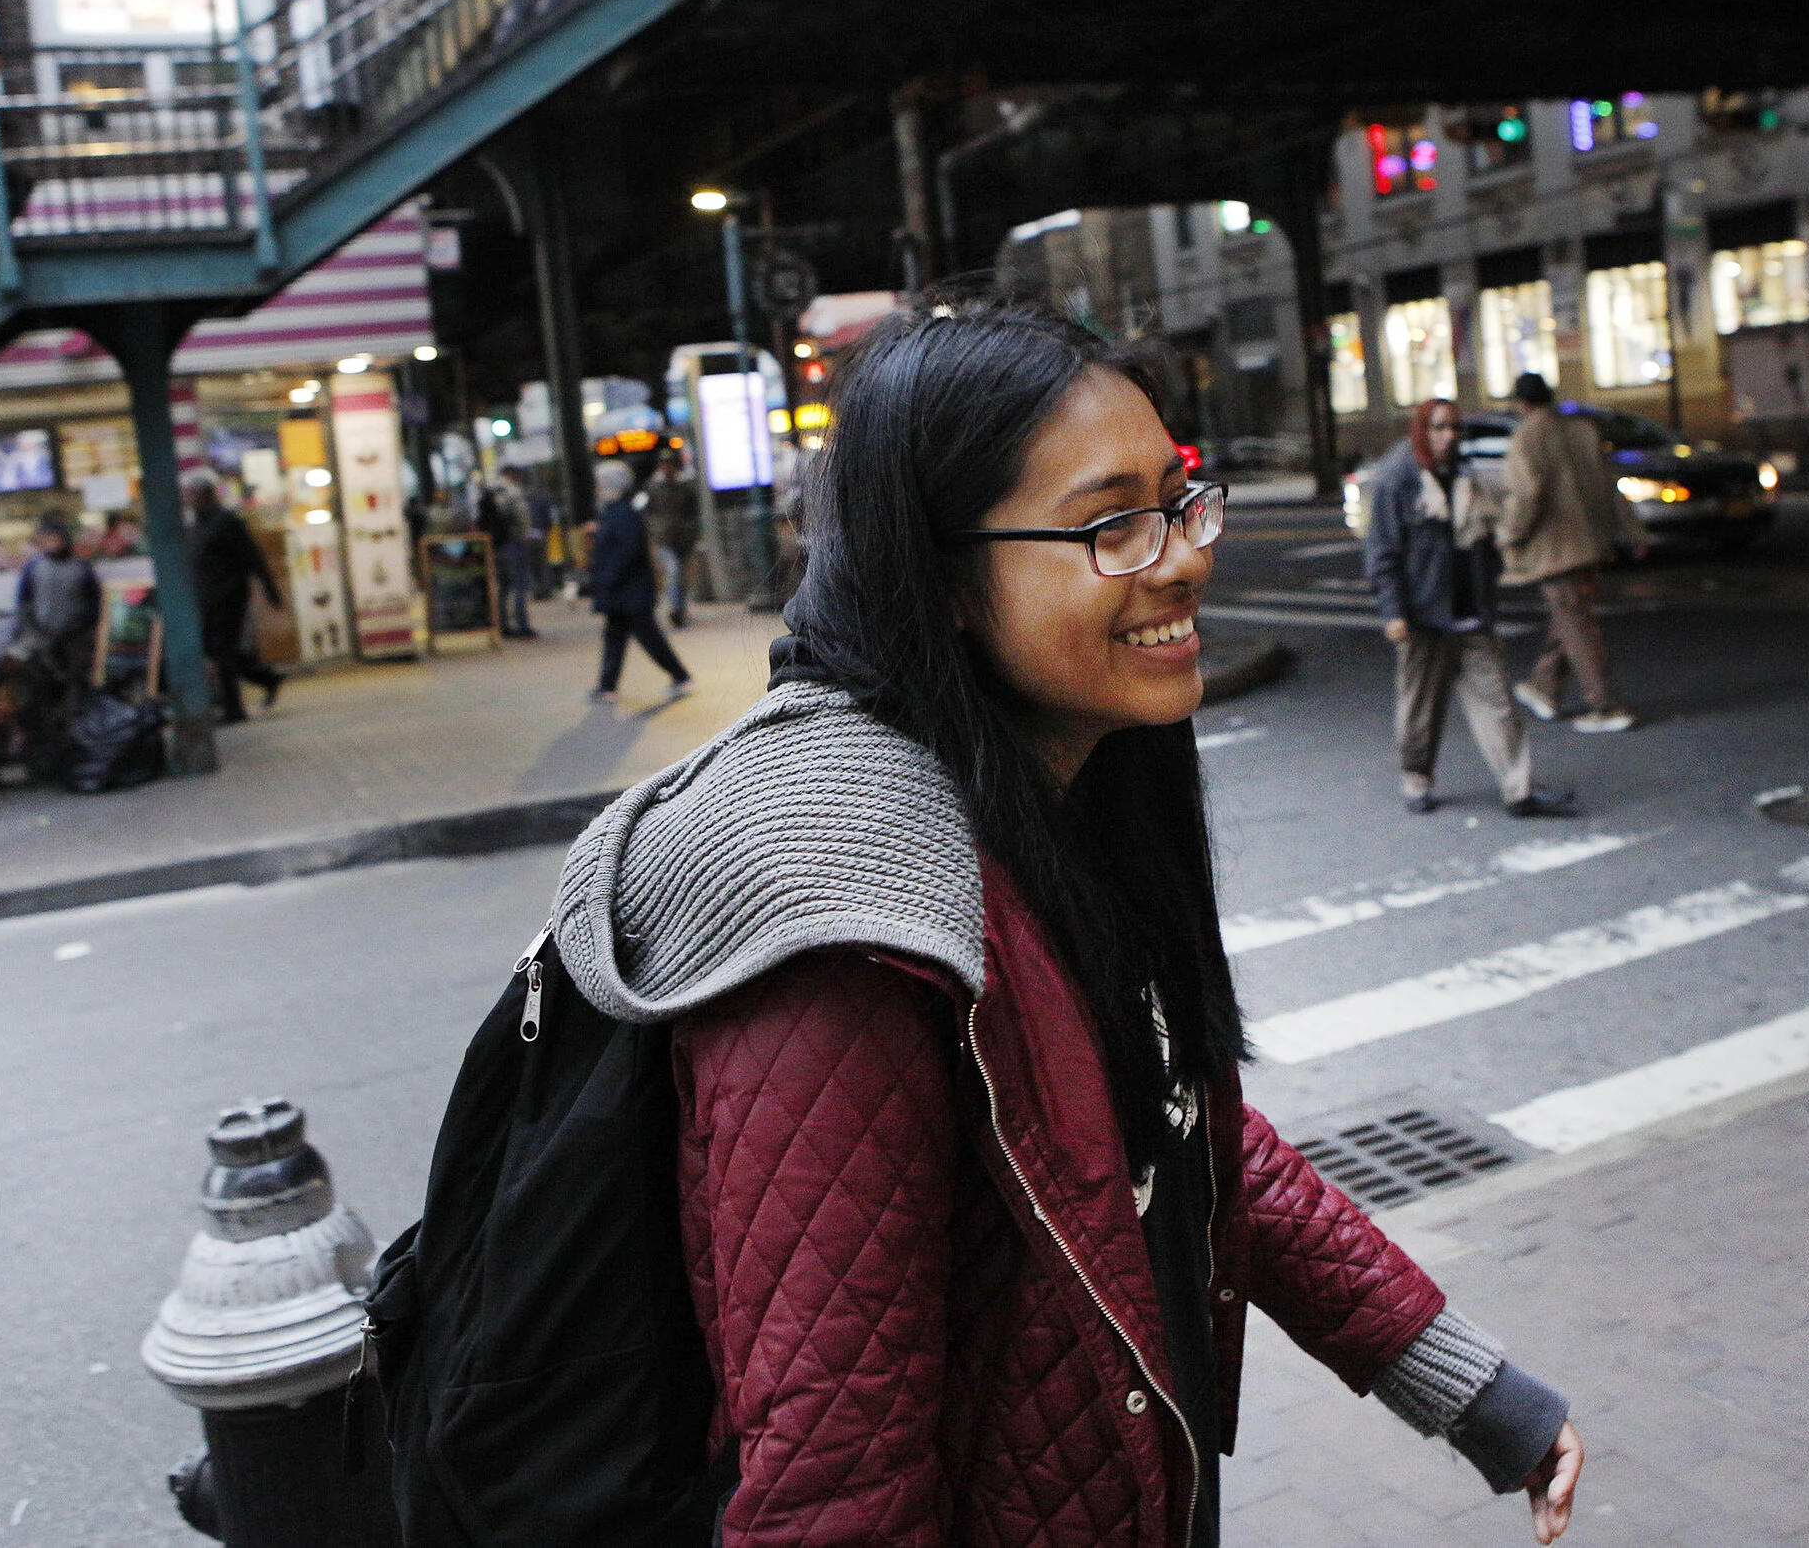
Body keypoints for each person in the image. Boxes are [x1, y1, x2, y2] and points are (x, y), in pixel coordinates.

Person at [540, 304, 1582, 1547]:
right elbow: (831, 1490)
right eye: (1110, 524)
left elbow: (1152, 1120)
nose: (1184, 556)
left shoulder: (1035, 775)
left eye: (1181, 498)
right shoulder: (845, 922)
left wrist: (1467, 1388)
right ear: (937, 574)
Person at [1367, 399, 1576, 818]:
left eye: (1455, 428)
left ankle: (1519, 789)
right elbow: (1383, 555)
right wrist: (1394, 613)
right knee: (1420, 707)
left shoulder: (1466, 475)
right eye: (1440, 428)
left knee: (1497, 703)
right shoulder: (1399, 481)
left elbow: (1487, 541)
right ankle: (1417, 779)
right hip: (1424, 617)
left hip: (1472, 613)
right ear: (1422, 431)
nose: (1450, 436)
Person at [1498, 372, 1646, 734]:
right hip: (1592, 542)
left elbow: (1526, 495)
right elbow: (1612, 488)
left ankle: (1608, 705)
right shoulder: (1583, 430)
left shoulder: (1527, 436)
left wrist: (1509, 536)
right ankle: (1543, 688)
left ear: (1521, 403)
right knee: (1571, 616)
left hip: (1556, 546)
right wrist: (1631, 531)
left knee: (1575, 622)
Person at [585, 460, 692, 704]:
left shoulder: (623, 513)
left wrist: (608, 578)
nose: (598, 489)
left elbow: (627, 550)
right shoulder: (616, 511)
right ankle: (607, 685)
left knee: (647, 636)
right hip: (624, 592)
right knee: (616, 636)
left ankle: (680, 675)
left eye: (602, 484)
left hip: (629, 591)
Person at [185, 474, 285, 723]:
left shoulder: (226, 522)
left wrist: (270, 588)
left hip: (228, 597)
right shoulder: (198, 525)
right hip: (208, 598)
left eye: (195, 495)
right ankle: (265, 677)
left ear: (208, 495)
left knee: (223, 652)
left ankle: (235, 709)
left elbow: (253, 556)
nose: (191, 501)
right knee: (214, 650)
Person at [13, 513, 103, 753]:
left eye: (58, 538)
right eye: (49, 538)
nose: (54, 543)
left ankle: (76, 733)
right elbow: (24, 604)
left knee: (75, 684)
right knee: (40, 687)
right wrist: (31, 629)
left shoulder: (80, 567)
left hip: (75, 637)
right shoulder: (34, 569)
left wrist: (83, 627)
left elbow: (94, 602)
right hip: (42, 638)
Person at [641, 452, 700, 627]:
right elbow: (644, 511)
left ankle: (680, 609)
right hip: (663, 539)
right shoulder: (651, 487)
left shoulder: (684, 487)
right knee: (674, 571)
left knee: (680, 575)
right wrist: (652, 530)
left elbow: (693, 510)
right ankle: (675, 609)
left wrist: (691, 530)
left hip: (683, 539)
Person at [478, 470, 536, 639]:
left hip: (495, 545)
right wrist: (524, 533)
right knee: (519, 585)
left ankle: (502, 625)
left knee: (503, 586)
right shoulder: (512, 491)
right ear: (512, 475)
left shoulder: (488, 493)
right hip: (513, 542)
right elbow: (522, 515)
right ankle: (522, 624)